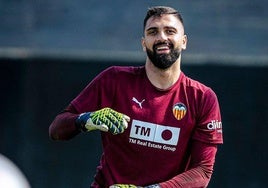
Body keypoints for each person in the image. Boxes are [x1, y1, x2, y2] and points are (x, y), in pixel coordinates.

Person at [49, 6, 223, 188]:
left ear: (184, 41)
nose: (162, 37)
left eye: (170, 31)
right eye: (153, 32)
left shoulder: (202, 98)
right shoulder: (114, 79)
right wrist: (86, 119)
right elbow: (56, 129)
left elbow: (202, 171)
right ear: (143, 42)